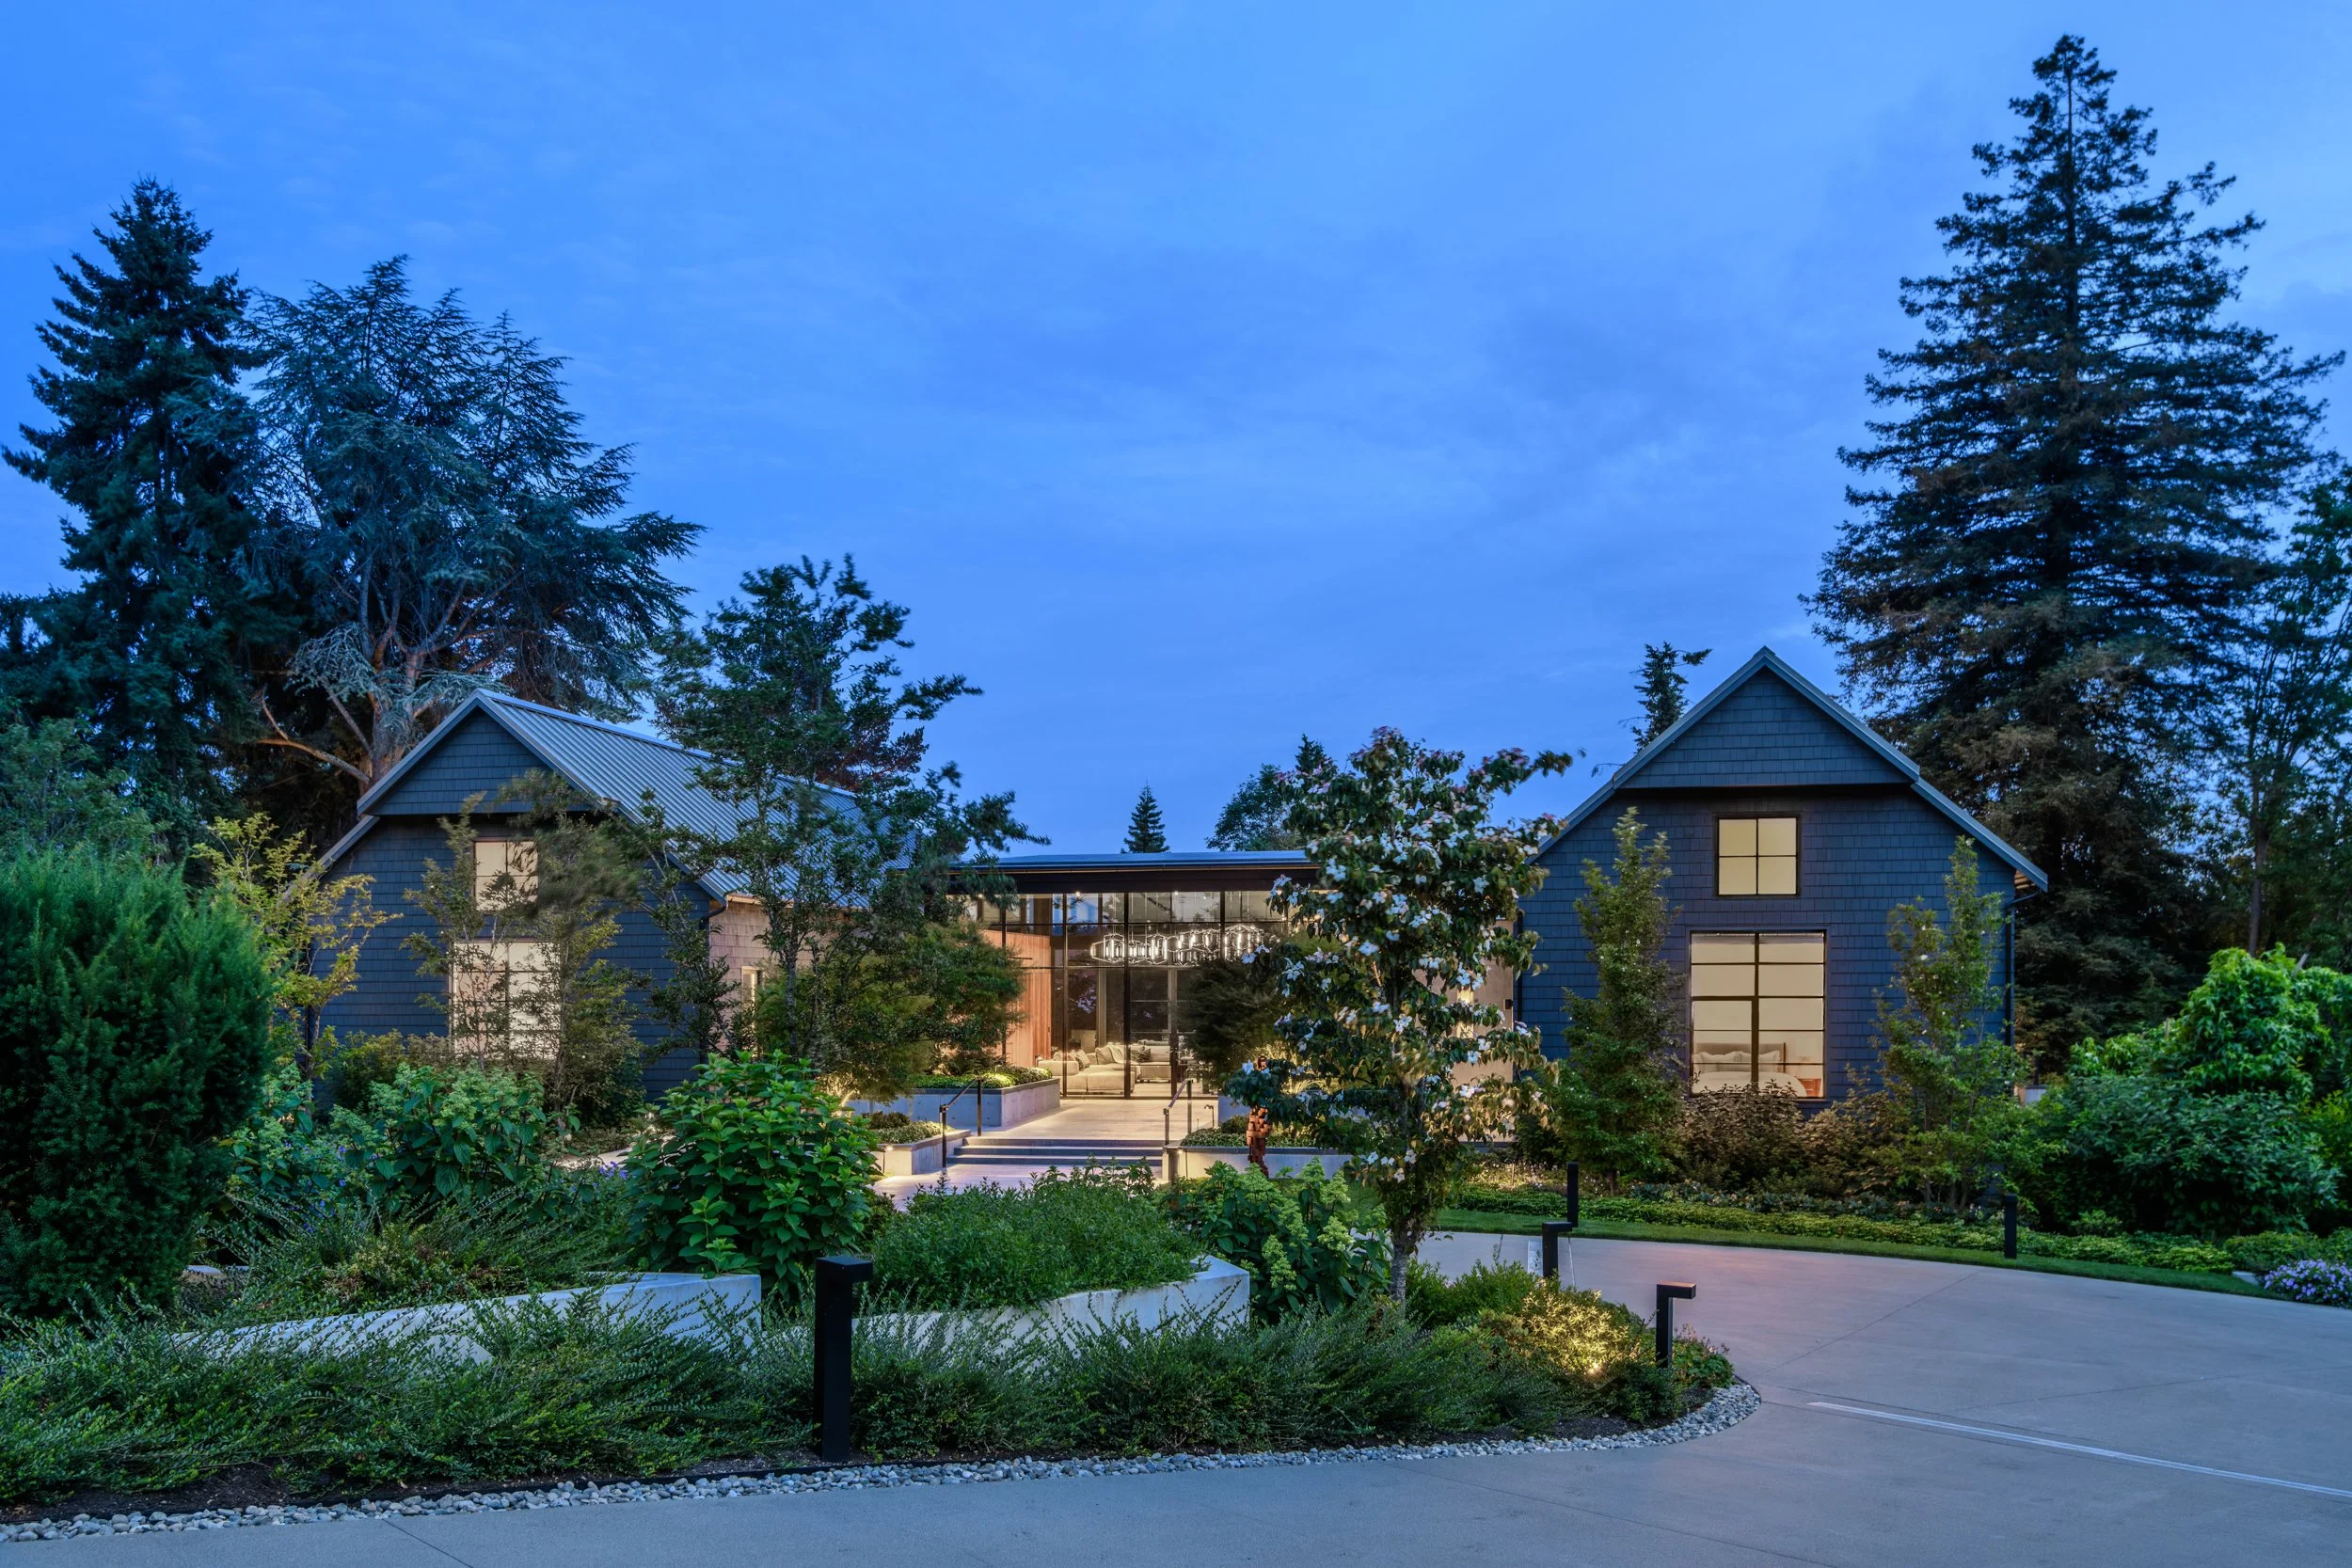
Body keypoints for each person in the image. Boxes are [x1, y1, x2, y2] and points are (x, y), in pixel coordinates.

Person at [1245, 1106, 1270, 1177]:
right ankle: (1257, 1169)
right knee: (1256, 1156)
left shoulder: (1263, 1122)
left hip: (1259, 1141)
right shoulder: (1253, 1121)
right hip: (1255, 1142)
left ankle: (1259, 1169)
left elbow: (1266, 1133)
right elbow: (1250, 1135)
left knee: (1259, 1156)